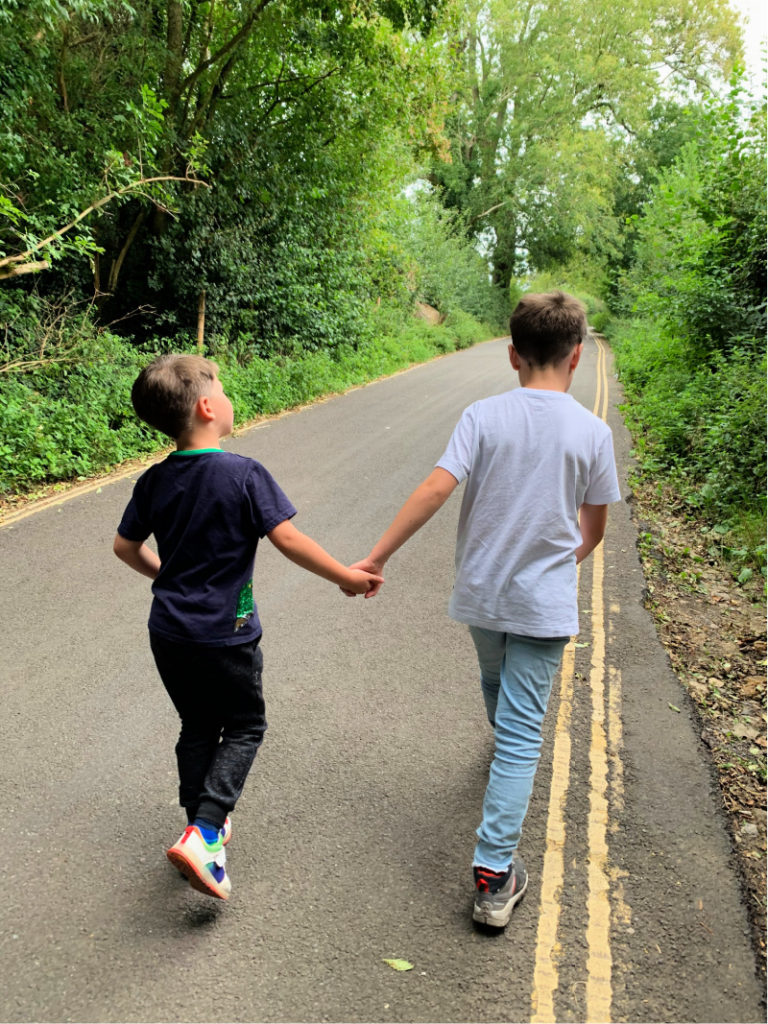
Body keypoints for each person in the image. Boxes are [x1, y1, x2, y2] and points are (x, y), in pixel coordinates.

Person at [349, 291, 621, 928]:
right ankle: (495, 875)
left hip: (482, 594)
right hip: (542, 603)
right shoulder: (592, 431)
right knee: (523, 735)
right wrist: (558, 569)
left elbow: (436, 487)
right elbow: (594, 528)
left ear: (512, 355)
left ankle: (502, 778)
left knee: (494, 683)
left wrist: (378, 557)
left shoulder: (482, 415)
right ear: (577, 356)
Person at [113, 354, 381, 901]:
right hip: (226, 634)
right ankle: (207, 832)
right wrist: (345, 577)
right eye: (224, 389)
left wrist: (168, 574)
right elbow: (288, 540)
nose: (229, 398)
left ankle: (197, 827)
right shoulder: (243, 474)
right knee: (244, 726)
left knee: (195, 725)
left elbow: (124, 546)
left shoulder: (154, 480)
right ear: (209, 406)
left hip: (168, 630)